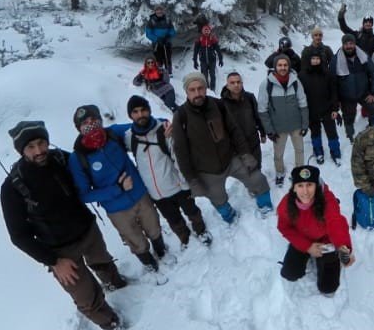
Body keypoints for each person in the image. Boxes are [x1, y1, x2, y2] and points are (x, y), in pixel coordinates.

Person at [0, 120, 127, 330]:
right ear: (21, 151)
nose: (39, 151)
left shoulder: (61, 159)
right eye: (30, 147)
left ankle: (118, 286)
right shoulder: (13, 187)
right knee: (85, 296)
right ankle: (112, 325)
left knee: (102, 262)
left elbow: (88, 167)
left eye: (42, 143)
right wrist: (54, 262)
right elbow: (19, 236)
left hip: (87, 230)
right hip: (60, 251)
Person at [69, 104, 166, 272]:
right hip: (116, 209)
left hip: (140, 194)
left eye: (94, 119)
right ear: (79, 129)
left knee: (154, 227)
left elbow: (142, 126)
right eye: (85, 123)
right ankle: (150, 264)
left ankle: (162, 253)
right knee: (135, 240)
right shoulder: (78, 158)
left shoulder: (113, 133)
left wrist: (164, 123)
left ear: (100, 120)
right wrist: (117, 189)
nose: (91, 124)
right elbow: (84, 195)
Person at [172, 73, 274, 224]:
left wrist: (245, 154)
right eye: (192, 90)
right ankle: (229, 215)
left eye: (200, 88)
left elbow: (234, 130)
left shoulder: (218, 105)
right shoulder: (181, 116)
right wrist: (192, 180)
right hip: (207, 169)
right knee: (217, 197)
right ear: (186, 92)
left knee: (257, 178)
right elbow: (181, 151)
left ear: (205, 88)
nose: (197, 93)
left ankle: (265, 205)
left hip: (230, 159)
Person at [112, 96, 211, 248]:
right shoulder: (129, 138)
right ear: (130, 115)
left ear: (149, 110)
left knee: (191, 210)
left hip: (177, 184)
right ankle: (185, 238)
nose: (140, 115)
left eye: (143, 110)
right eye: (135, 112)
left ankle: (201, 230)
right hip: (156, 192)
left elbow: (178, 155)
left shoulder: (164, 128)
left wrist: (185, 182)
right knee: (173, 219)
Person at [276, 164, 355, 295]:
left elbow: (336, 222)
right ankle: (308, 256)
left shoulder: (327, 200)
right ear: (294, 188)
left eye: (309, 185)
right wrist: (307, 246)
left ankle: (325, 261)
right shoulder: (286, 204)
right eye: (300, 185)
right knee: (289, 273)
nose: (305, 191)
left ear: (317, 186)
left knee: (328, 287)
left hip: (326, 242)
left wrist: (343, 246)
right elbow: (284, 227)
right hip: (302, 239)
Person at [258, 52, 310, 185]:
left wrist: (305, 124)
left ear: (289, 66)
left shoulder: (295, 82)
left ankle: (299, 172)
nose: (283, 67)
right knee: (278, 154)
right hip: (278, 128)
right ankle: (280, 172)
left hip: (296, 125)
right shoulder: (266, 84)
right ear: (275, 67)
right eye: (280, 65)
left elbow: (303, 103)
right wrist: (269, 130)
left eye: (285, 65)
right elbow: (262, 110)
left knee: (299, 150)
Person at [330, 34, 374, 140]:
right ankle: (350, 135)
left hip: (364, 93)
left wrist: (373, 92)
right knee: (348, 118)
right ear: (343, 45)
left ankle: (372, 128)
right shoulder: (336, 60)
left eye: (351, 43)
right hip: (346, 96)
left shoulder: (363, 56)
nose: (349, 46)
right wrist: (336, 101)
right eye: (346, 44)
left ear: (354, 44)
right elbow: (332, 83)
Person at [300, 46, 341, 165]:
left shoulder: (327, 73)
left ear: (321, 60)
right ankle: (318, 151)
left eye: (317, 58)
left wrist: (335, 109)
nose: (315, 61)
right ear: (309, 60)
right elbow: (300, 95)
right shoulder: (302, 75)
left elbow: (334, 92)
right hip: (311, 110)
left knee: (331, 132)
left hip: (327, 109)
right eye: (313, 58)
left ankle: (335, 151)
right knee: (315, 133)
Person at [220, 71, 267, 169]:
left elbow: (257, 116)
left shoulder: (249, 97)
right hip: (236, 144)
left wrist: (262, 133)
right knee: (244, 169)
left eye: (238, 82)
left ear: (242, 83)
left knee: (257, 166)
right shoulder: (222, 103)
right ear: (227, 85)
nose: (236, 85)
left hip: (253, 140)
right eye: (232, 83)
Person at [193, 15, 223, 90]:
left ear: (210, 31)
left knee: (212, 75)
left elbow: (218, 49)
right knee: (204, 76)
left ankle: (212, 89)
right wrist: (195, 61)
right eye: (205, 30)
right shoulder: (200, 39)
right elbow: (196, 50)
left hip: (212, 60)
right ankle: (206, 88)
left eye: (208, 30)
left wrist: (220, 59)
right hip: (203, 61)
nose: (206, 31)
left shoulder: (212, 38)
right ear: (202, 31)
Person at [144, 5, 176, 74]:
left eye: (160, 10)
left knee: (167, 58)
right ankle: (159, 72)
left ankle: (169, 72)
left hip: (166, 42)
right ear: (155, 12)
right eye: (157, 10)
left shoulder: (167, 20)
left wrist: (168, 37)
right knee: (158, 59)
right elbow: (148, 33)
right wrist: (157, 39)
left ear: (163, 11)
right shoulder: (151, 21)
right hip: (157, 44)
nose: (159, 12)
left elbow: (172, 31)